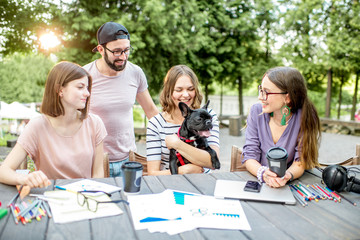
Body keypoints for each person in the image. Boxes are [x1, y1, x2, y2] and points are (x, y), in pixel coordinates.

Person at [0, 61, 107, 188]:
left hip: (85, 199)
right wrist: (25, 178)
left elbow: (98, 175)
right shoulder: (37, 126)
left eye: (87, 88)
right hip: (51, 198)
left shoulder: (95, 123)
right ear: (60, 90)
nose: (87, 93)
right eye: (80, 87)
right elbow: (3, 171)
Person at [83, 21, 158, 177]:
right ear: (100, 49)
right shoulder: (84, 76)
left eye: (127, 50)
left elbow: (151, 111)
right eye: (117, 51)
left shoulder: (136, 73)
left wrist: (173, 137)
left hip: (129, 161)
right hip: (93, 162)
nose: (123, 57)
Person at [242, 66, 321, 188]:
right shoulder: (256, 111)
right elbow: (250, 156)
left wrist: (287, 176)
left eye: (266, 92)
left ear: (287, 98)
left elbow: (301, 161)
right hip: (258, 183)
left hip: (290, 186)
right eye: (260, 90)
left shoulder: (305, 116)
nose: (260, 97)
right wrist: (263, 173)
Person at [146, 65, 220, 175]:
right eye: (179, 90)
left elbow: (213, 163)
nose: (185, 95)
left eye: (191, 89)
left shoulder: (208, 116)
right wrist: (183, 171)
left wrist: (178, 144)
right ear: (169, 92)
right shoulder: (156, 124)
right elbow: (152, 173)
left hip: (204, 182)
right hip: (170, 183)